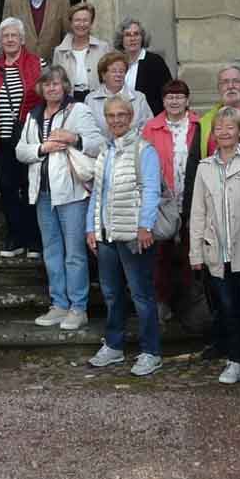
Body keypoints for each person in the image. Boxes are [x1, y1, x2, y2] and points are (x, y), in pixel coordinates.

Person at [188, 107, 240, 389]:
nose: (224, 132)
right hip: (217, 251)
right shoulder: (204, 167)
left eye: (230, 127)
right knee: (228, 308)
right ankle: (235, 359)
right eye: (219, 128)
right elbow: (198, 212)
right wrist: (196, 253)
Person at [16, 65, 103, 330]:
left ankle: (78, 307)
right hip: (43, 193)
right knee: (52, 251)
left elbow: (98, 144)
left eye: (57, 83)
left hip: (72, 193)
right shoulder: (33, 115)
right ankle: (59, 305)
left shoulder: (79, 110)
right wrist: (43, 148)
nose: (52, 88)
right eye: (47, 84)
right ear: (40, 88)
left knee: (74, 253)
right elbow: (20, 151)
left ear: (65, 86)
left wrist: (73, 138)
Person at [85, 95, 164, 377]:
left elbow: (152, 190)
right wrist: (91, 228)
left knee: (141, 295)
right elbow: (97, 192)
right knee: (111, 294)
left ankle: (151, 351)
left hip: (133, 235)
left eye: (121, 115)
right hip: (106, 234)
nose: (116, 120)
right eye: (111, 116)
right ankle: (114, 346)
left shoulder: (144, 150)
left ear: (130, 117)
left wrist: (145, 226)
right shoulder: (105, 152)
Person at [142, 79, 203, 325]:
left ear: (187, 100)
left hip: (193, 197)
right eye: (170, 97)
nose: (175, 101)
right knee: (161, 255)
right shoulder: (151, 128)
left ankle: (189, 305)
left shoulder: (200, 125)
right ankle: (162, 302)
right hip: (163, 199)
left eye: (179, 97)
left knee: (191, 251)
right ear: (163, 101)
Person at [0, 17, 43, 258]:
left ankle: (34, 240)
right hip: (1, 140)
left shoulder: (39, 64)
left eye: (14, 35)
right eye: (5, 36)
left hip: (28, 140)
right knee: (7, 190)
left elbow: (46, 99)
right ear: (0, 40)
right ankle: (14, 237)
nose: (9, 39)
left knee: (29, 188)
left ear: (22, 39)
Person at [52, 2, 111, 101]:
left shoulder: (103, 47)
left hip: (98, 99)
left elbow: (109, 78)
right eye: (77, 20)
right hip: (69, 100)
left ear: (91, 23)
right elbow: (56, 80)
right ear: (71, 23)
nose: (81, 24)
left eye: (85, 20)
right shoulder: (59, 51)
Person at [85, 51, 153, 135]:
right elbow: (87, 130)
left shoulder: (139, 98)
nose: (118, 75)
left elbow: (148, 127)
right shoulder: (91, 99)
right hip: (101, 147)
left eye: (121, 71)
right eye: (114, 71)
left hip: (133, 146)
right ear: (103, 75)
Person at [115, 17, 173, 114]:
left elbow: (167, 93)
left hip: (149, 120)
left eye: (136, 34)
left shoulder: (155, 62)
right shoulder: (116, 62)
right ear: (121, 40)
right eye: (128, 35)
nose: (132, 38)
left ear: (142, 38)